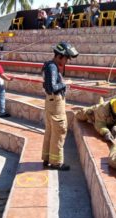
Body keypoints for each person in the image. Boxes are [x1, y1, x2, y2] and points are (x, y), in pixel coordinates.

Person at [42, 42, 79, 171]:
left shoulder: (49, 65)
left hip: (50, 102)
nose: (67, 61)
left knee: (51, 131)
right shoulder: (52, 67)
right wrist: (65, 83)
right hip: (55, 103)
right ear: (59, 56)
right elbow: (52, 87)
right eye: (66, 58)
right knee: (59, 131)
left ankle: (47, 158)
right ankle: (56, 163)